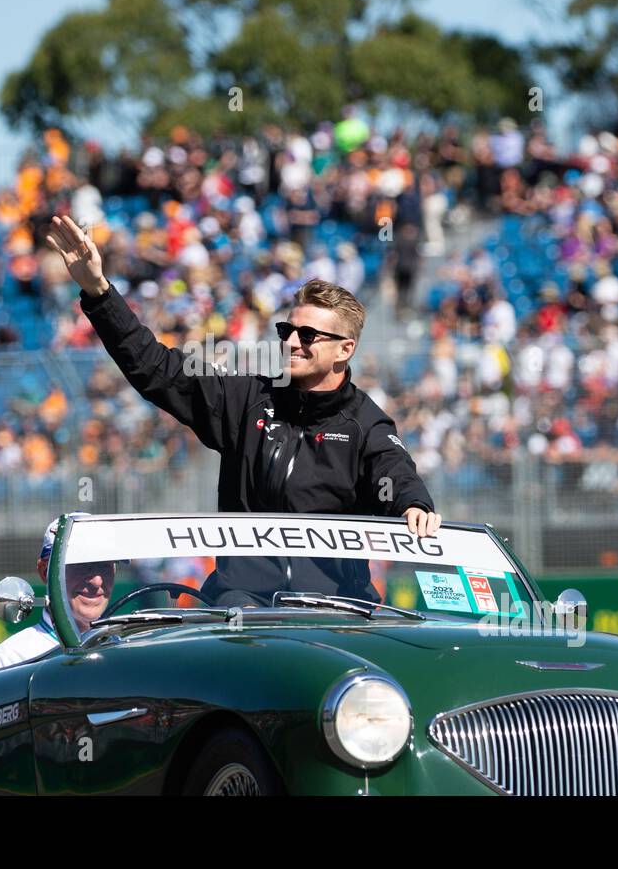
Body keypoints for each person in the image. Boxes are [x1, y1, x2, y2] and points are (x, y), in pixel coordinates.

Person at [46, 215, 442, 604]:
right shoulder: (246, 400)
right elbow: (156, 368)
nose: (292, 343)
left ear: (345, 349)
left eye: (308, 335)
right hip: (244, 608)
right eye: (287, 331)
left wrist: (414, 504)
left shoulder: (365, 421)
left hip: (336, 612)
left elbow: (393, 470)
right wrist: (98, 292)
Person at [0, 512, 115, 671]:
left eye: (104, 565)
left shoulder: (126, 646)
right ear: (45, 571)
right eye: (81, 565)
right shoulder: (12, 658)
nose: (97, 582)